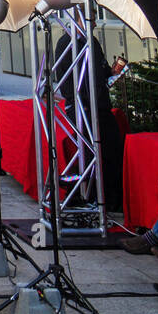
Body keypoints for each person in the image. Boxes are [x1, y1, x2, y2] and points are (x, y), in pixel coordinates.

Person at [55, 31, 125, 211]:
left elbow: (100, 72)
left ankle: (111, 198)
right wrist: (80, 103)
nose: (93, 20)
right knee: (89, 154)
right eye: (91, 15)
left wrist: (112, 72)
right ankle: (86, 195)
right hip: (83, 107)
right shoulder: (67, 43)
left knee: (112, 148)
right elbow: (66, 80)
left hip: (100, 105)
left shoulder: (91, 40)